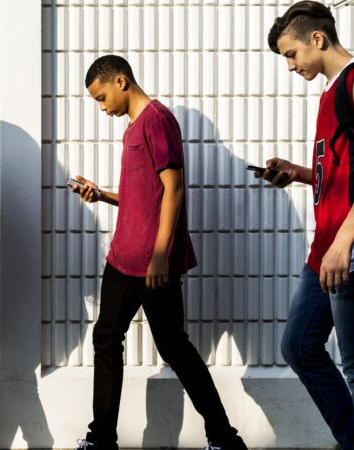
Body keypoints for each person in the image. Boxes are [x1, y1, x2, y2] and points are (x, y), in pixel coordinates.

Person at [71, 55, 247, 450]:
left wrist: (160, 254)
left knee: (173, 346)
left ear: (121, 81)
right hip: (122, 258)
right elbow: (142, 196)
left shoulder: (157, 119)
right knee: (106, 339)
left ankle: (224, 438)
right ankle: (101, 439)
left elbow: (175, 188)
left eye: (101, 98)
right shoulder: (134, 127)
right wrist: (101, 194)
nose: (102, 108)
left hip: (151, 261)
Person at [264, 2, 354, 447]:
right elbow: (341, 171)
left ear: (317, 39)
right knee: (299, 346)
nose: (290, 65)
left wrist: (345, 243)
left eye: (291, 53)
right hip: (325, 250)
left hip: (346, 250)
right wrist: (300, 173)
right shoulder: (329, 92)